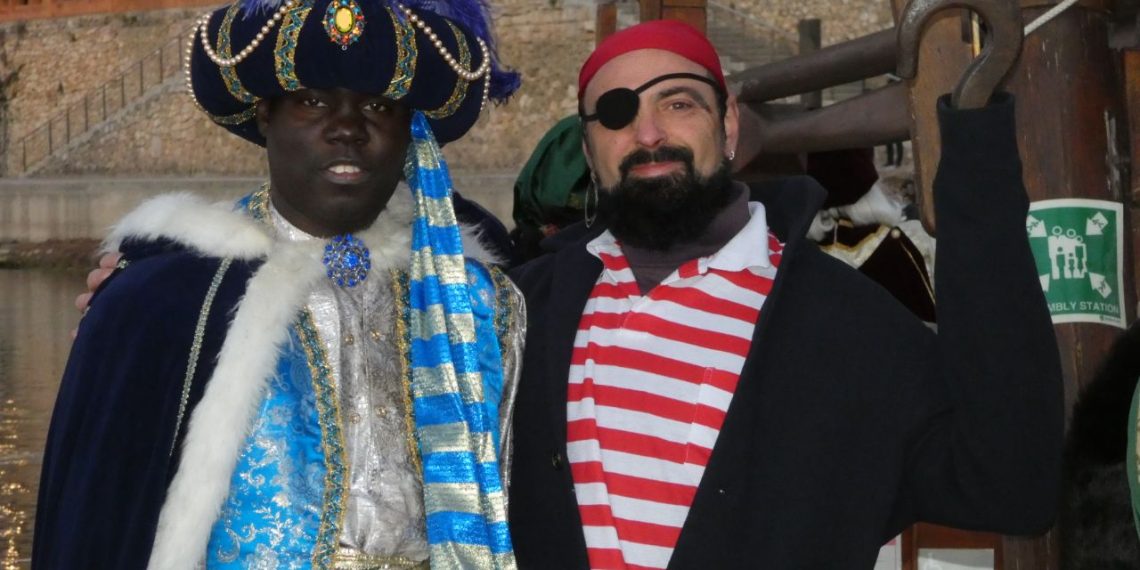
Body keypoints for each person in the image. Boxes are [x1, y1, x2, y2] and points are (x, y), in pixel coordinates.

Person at [506, 19, 1063, 569]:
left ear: (727, 127)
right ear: (588, 145)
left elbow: (1009, 483)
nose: (648, 133)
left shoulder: (846, 325)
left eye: (679, 104)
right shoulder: (518, 314)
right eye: (617, 113)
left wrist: (976, 165)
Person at [34, 0, 524, 568]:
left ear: (409, 129)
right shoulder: (162, 302)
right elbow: (97, 521)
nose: (347, 128)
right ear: (265, 114)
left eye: (379, 105)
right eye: (312, 101)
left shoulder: (476, 304)